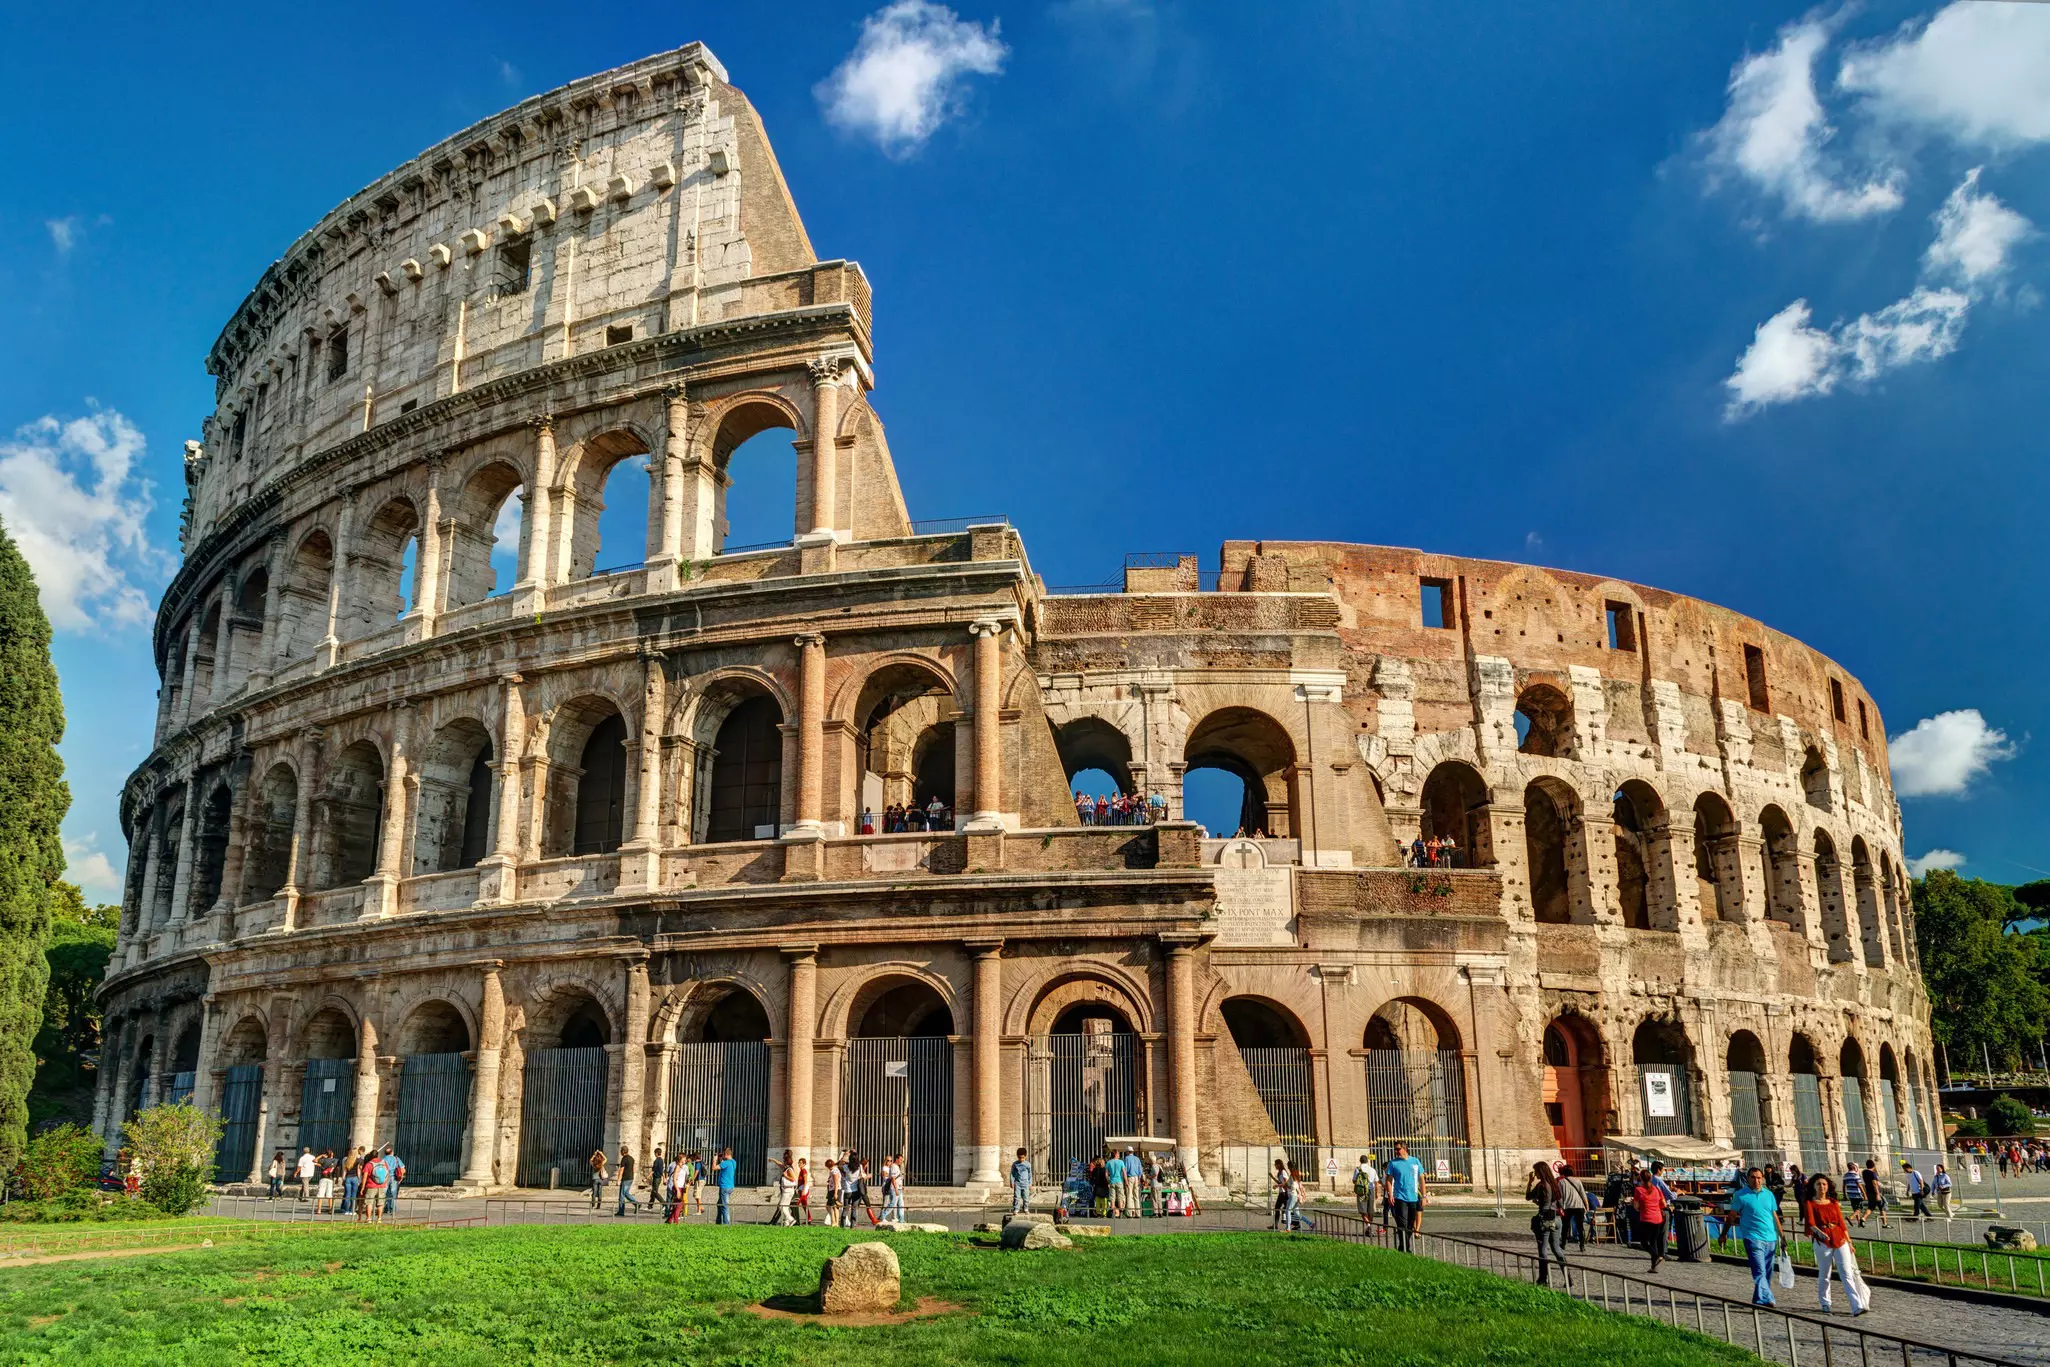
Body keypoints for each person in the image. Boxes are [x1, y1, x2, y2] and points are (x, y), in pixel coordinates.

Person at [1803, 1174, 1871, 1316]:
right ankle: (1825, 1302)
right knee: (1825, 1274)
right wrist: (1820, 1233)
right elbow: (1810, 1223)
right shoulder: (1810, 1203)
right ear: (1814, 1187)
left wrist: (1849, 1242)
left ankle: (1856, 1305)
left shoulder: (1833, 1202)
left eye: (1824, 1184)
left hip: (1839, 1238)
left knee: (1846, 1273)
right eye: (1819, 1184)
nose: (1822, 1187)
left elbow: (1842, 1223)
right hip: (1823, 1241)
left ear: (1828, 1187)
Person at [1720, 1166, 1785, 1307]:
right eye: (1753, 1177)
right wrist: (1724, 1234)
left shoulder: (1769, 1195)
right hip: (1752, 1237)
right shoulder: (1741, 1195)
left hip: (1770, 1238)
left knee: (1768, 1272)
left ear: (1763, 1178)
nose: (1756, 1180)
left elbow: (1774, 1216)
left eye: (1759, 1177)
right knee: (1759, 1270)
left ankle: (1758, 1299)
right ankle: (1768, 1297)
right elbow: (1732, 1216)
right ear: (1748, 1179)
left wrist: (1782, 1236)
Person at [1527, 1161, 1568, 1285]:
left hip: (1545, 1219)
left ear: (1541, 1172)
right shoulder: (1554, 1184)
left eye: (1536, 1171)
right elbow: (1560, 1205)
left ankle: (1543, 1278)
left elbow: (1528, 1196)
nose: (1535, 1174)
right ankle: (1567, 1276)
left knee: (1543, 1250)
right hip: (1557, 1219)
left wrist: (1529, 1182)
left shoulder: (1541, 1185)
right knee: (1557, 1249)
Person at [1385, 1142, 1426, 1253]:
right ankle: (1405, 1248)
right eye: (1395, 1149)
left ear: (1405, 1149)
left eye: (1398, 1149)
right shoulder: (1393, 1163)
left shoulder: (1415, 1161)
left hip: (1413, 1197)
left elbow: (1422, 1179)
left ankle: (1403, 1246)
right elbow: (1388, 1180)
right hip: (1399, 1197)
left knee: (1410, 1224)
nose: (1396, 1151)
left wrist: (1424, 1196)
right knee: (1402, 1223)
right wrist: (1390, 1194)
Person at [1632, 1170, 1668, 1272]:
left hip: (1646, 1218)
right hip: (1658, 1218)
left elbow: (1636, 1206)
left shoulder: (1638, 1190)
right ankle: (1654, 1266)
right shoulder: (1656, 1189)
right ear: (1650, 1178)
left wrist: (1640, 1208)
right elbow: (1664, 1204)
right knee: (1653, 1241)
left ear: (1641, 1179)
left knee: (1644, 1242)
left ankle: (1656, 1256)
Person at [1556, 1160, 1590, 1252]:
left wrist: (1560, 1207)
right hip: (1579, 1206)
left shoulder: (1561, 1182)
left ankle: (1563, 1243)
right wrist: (1587, 1206)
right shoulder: (1578, 1181)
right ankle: (1582, 1245)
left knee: (1565, 1226)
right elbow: (1583, 1194)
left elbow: (1560, 1196)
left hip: (1568, 1206)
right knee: (1580, 1227)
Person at [360, 1148, 388, 1226]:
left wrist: (362, 1187)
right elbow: (387, 1173)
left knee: (369, 1203)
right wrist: (384, 1182)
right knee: (380, 1203)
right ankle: (379, 1219)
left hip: (371, 1186)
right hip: (382, 1186)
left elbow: (365, 1177)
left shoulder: (369, 1164)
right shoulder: (383, 1163)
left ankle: (368, 1219)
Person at [1351, 1153, 1381, 1226]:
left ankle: (1368, 1226)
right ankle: (1369, 1225)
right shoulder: (1372, 1169)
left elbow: (1354, 1181)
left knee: (1362, 1210)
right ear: (1367, 1161)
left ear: (1360, 1161)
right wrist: (1377, 1193)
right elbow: (1377, 1182)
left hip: (1361, 1191)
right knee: (1370, 1210)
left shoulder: (1358, 1169)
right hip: (1371, 1190)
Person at [1861, 1157, 1890, 1230]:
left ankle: (1863, 1218)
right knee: (1882, 1207)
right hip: (1875, 1192)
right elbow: (1875, 1184)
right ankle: (1885, 1224)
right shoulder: (1872, 1174)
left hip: (1869, 1192)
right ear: (1873, 1165)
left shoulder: (1864, 1172)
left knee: (1871, 1207)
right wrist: (1877, 1194)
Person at [615, 1146, 642, 1217]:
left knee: (622, 1195)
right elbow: (633, 1168)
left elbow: (621, 1170)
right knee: (626, 1193)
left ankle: (621, 1211)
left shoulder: (624, 1159)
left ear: (623, 1151)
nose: (620, 1152)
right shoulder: (631, 1158)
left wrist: (618, 1180)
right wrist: (633, 1176)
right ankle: (636, 1204)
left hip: (625, 1179)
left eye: (621, 1151)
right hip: (630, 1178)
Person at [880, 1152, 906, 1223]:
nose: (901, 1161)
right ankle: (882, 1216)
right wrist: (896, 1189)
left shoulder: (897, 1167)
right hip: (895, 1189)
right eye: (900, 1160)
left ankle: (901, 1219)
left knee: (901, 1204)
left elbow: (898, 1179)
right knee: (892, 1204)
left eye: (902, 1160)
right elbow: (893, 1178)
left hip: (899, 1188)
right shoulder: (894, 1166)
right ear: (896, 1159)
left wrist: (901, 1186)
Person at [714, 1145, 736, 1225]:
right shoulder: (733, 1162)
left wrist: (714, 1160)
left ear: (726, 1154)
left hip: (724, 1186)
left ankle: (726, 1224)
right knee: (719, 1204)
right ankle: (718, 1222)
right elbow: (725, 1167)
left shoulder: (726, 1163)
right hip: (730, 1186)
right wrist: (721, 1160)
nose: (722, 1156)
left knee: (724, 1206)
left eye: (723, 1154)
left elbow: (714, 1168)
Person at [382, 1144, 405, 1216]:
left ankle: (386, 1208)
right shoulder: (396, 1159)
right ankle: (393, 1209)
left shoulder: (383, 1159)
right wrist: (401, 1177)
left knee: (385, 1193)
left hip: (385, 1177)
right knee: (393, 1193)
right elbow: (402, 1169)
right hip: (394, 1177)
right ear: (392, 1152)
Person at [1010, 1148, 1034, 1214]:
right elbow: (1012, 1174)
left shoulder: (1028, 1164)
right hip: (1017, 1183)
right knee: (1016, 1197)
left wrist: (1030, 1183)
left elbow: (1030, 1174)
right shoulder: (1015, 1164)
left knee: (1026, 1197)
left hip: (1025, 1183)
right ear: (1017, 1156)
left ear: (1025, 1156)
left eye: (1023, 1157)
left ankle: (1026, 1208)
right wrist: (1012, 1182)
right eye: (1020, 1157)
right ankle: (1016, 1209)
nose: (1021, 1159)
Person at [1122, 1147, 1144, 1217]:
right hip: (1136, 1178)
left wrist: (1125, 1180)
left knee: (1129, 1195)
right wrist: (1139, 1179)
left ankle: (1130, 1213)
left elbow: (1125, 1170)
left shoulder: (1126, 1158)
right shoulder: (1137, 1159)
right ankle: (1138, 1213)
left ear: (1128, 1152)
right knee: (1136, 1196)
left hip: (1130, 1177)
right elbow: (1140, 1170)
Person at [795, 1157, 815, 1225]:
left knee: (797, 1203)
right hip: (800, 1188)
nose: (799, 1164)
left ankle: (793, 1218)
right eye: (799, 1162)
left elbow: (805, 1181)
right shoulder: (801, 1171)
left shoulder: (804, 1171)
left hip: (804, 1188)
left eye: (801, 1163)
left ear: (804, 1164)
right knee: (804, 1205)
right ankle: (808, 1219)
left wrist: (803, 1190)